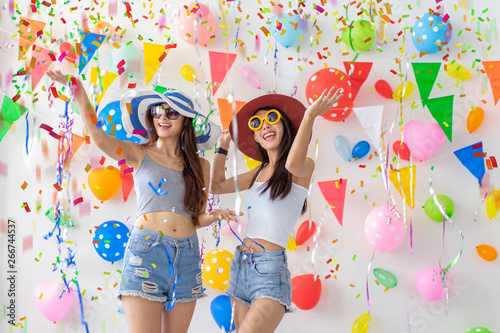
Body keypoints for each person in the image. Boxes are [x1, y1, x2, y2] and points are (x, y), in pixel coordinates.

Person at [47, 69, 241, 333]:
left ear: (186, 120)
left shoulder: (201, 166)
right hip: (146, 249)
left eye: (171, 112)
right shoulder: (138, 152)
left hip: (187, 255)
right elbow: (99, 137)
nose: (162, 117)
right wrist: (79, 91)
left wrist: (215, 215)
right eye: (157, 111)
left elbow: (195, 218)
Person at [209, 87, 342, 332]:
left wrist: (309, 116)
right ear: (256, 139)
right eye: (257, 124)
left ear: (285, 127)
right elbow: (216, 186)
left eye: (272, 119)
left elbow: (291, 163)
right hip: (242, 265)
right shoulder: (257, 173)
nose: (265, 126)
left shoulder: (303, 167)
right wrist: (222, 147)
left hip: (270, 271)